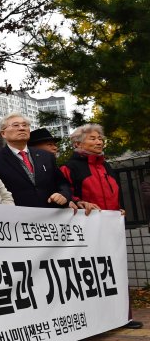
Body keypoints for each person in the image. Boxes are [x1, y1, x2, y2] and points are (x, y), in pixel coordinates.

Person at [61, 124, 142, 329]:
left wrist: (119, 209)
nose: (99, 142)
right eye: (93, 138)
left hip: (111, 228)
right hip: (87, 231)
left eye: (100, 138)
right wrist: (80, 203)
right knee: (92, 274)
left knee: (117, 272)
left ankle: (123, 316)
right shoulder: (69, 168)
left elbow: (114, 193)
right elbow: (70, 196)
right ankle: (94, 319)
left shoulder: (107, 166)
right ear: (78, 143)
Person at [0, 114, 79, 210]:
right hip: (18, 218)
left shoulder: (46, 156)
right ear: (3, 133)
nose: (22, 128)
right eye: (16, 125)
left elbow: (62, 183)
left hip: (51, 216)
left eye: (25, 125)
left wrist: (64, 195)